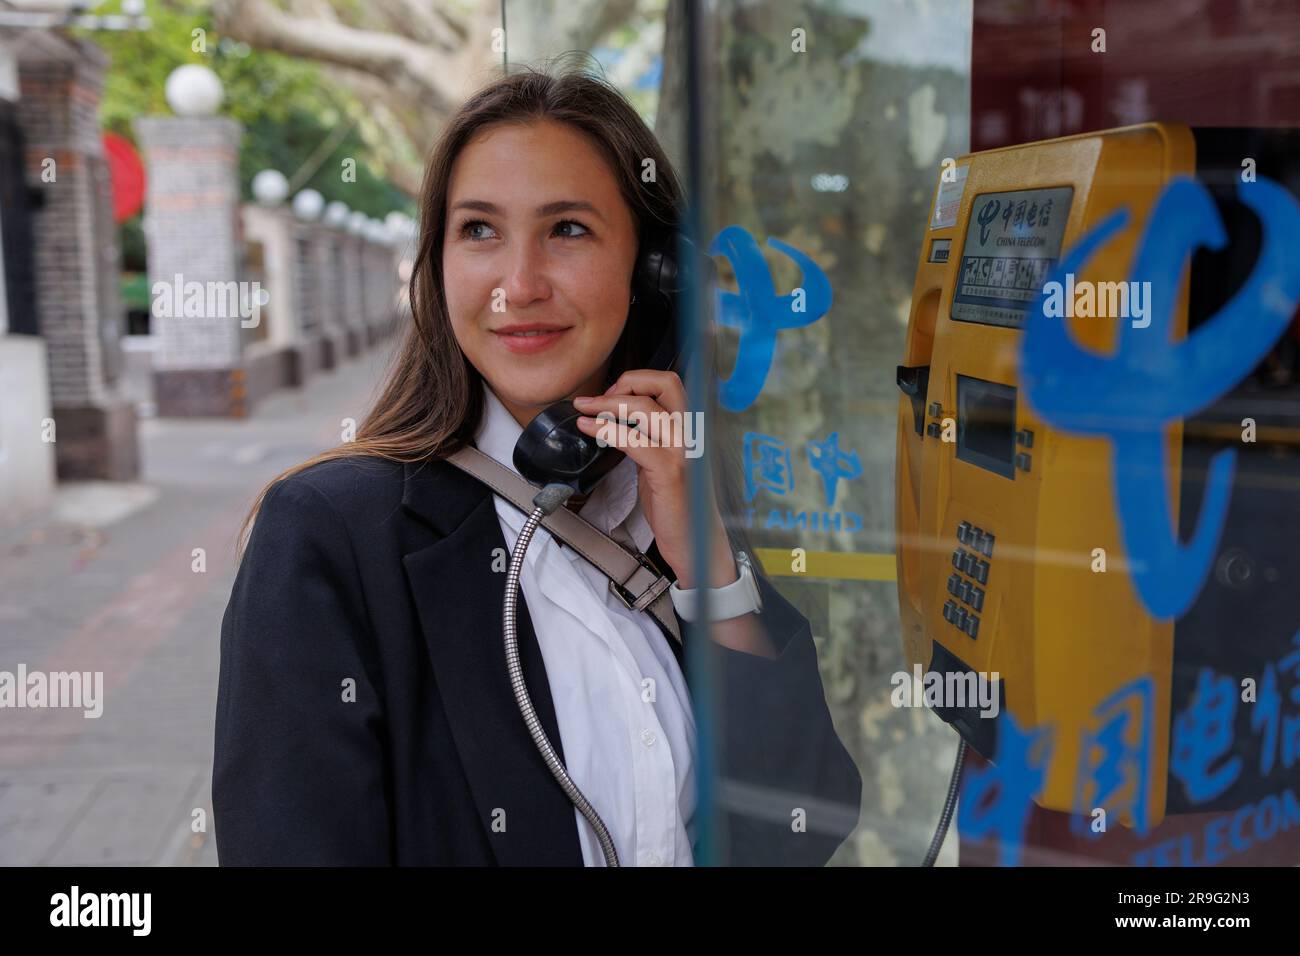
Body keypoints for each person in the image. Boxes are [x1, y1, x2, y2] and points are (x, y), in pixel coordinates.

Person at [212, 64, 861, 866]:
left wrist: (704, 563)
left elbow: (806, 820)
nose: (517, 286)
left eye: (568, 229)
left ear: (654, 272)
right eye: (479, 230)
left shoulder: (670, 501)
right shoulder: (334, 535)